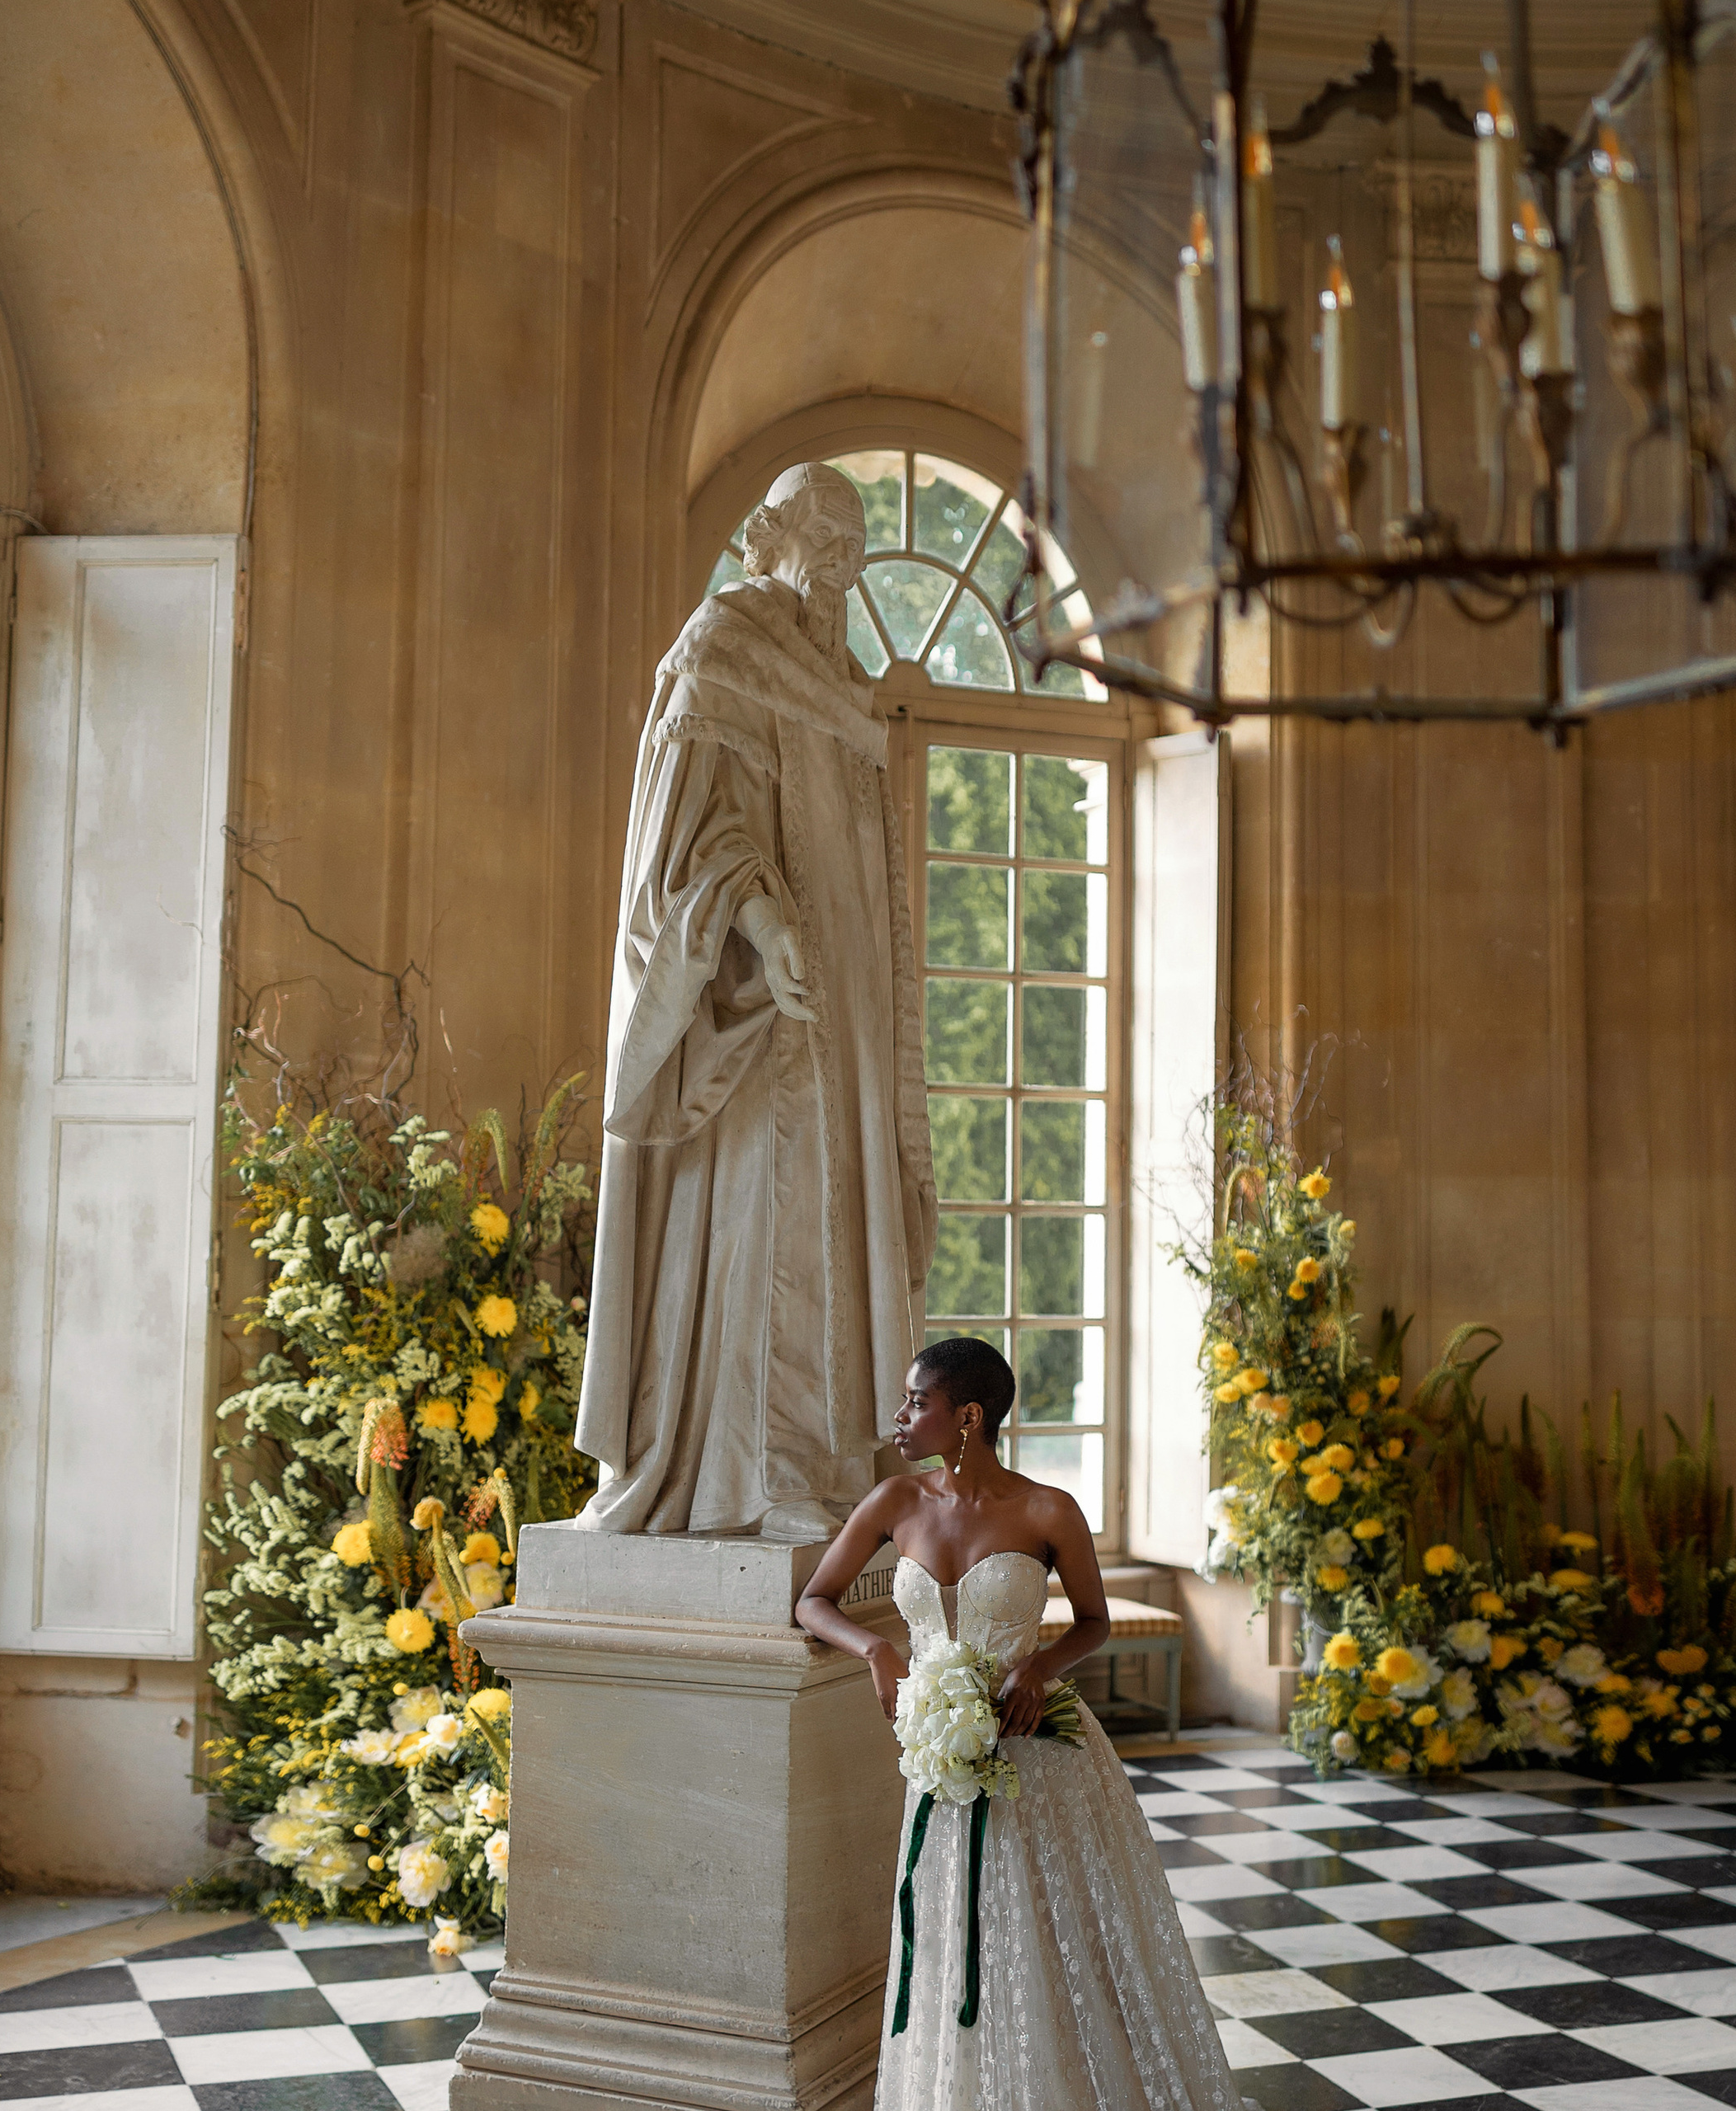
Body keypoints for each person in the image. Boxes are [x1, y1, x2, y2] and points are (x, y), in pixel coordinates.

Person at [573, 461, 935, 1543]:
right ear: (766, 535)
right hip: (750, 1025)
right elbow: (684, 839)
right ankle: (749, 1477)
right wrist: (767, 926)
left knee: (832, 1220)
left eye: (853, 545)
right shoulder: (720, 650)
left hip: (841, 1034)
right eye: (826, 537)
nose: (842, 562)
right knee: (761, 1227)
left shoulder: (839, 685)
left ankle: (827, 1469)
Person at [797, 1337, 1246, 2111]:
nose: (901, 1417)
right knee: (952, 1931)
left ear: (969, 1416)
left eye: (917, 1402)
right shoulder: (896, 1503)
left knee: (1044, 1932)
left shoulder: (1048, 1509)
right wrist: (875, 1648)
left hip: (1037, 1754)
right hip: (938, 1763)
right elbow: (813, 1600)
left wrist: (1039, 1665)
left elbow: (1096, 1620)